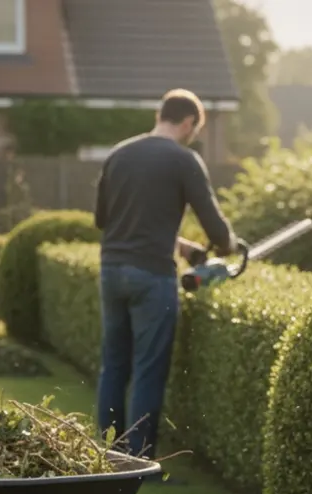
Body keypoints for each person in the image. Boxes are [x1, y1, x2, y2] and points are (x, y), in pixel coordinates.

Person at [94, 88, 240, 459]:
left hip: (111, 271)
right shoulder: (184, 160)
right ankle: (138, 459)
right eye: (195, 129)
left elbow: (106, 221)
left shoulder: (118, 154)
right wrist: (229, 245)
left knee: (114, 365)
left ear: (161, 115)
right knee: (147, 369)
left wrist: (182, 245)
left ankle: (103, 455)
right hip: (152, 276)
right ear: (189, 123)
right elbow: (217, 230)